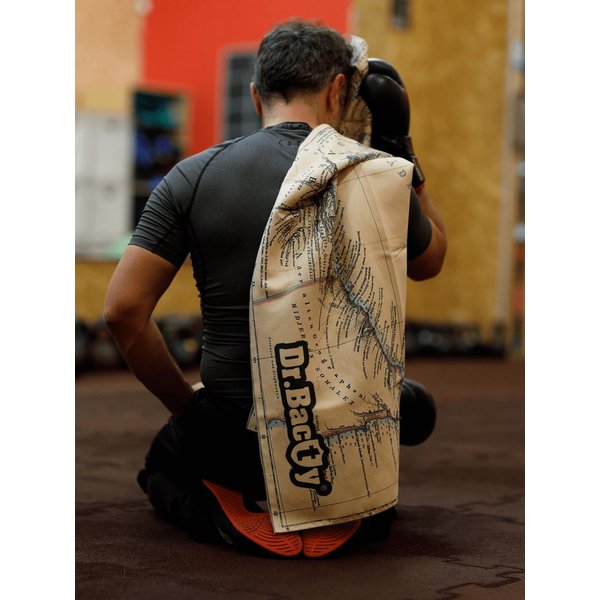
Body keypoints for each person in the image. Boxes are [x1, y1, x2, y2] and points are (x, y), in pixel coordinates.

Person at [103, 18, 447, 558]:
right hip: (343, 447)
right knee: (409, 408)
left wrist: (188, 409)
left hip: (238, 441)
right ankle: (350, 512)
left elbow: (122, 311)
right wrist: (403, 154)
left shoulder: (193, 175)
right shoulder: (381, 175)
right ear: (337, 90)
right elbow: (431, 262)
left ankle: (227, 508)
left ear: (255, 93)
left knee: (164, 462)